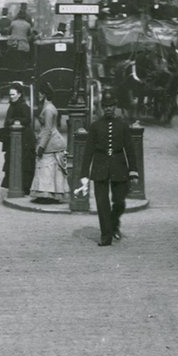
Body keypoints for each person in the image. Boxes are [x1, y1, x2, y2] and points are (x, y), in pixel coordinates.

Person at [77, 89, 139, 245]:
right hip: (100, 167)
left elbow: (130, 150)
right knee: (101, 202)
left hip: (119, 166)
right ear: (101, 107)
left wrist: (133, 171)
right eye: (105, 106)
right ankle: (106, 236)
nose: (108, 109)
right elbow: (88, 151)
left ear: (115, 106)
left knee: (119, 201)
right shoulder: (95, 126)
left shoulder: (123, 126)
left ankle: (113, 222)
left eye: (111, 105)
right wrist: (84, 173)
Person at [30, 81, 68, 203]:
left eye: (40, 94)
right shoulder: (49, 107)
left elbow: (48, 130)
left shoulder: (48, 110)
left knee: (47, 167)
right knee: (49, 169)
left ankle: (47, 195)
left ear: (44, 95)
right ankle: (48, 194)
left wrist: (41, 146)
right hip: (52, 140)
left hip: (51, 142)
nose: (38, 96)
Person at [0, 82, 36, 192]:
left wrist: (14, 121)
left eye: (13, 94)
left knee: (24, 162)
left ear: (19, 94)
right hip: (15, 139)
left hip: (24, 139)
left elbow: (27, 120)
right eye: (10, 94)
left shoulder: (23, 106)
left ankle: (24, 186)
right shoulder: (13, 105)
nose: (11, 97)